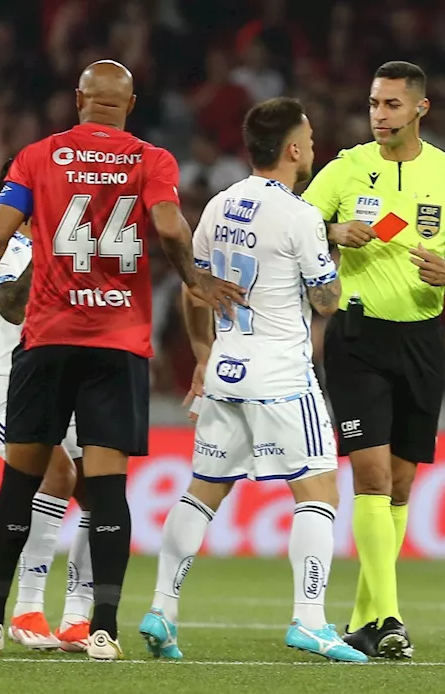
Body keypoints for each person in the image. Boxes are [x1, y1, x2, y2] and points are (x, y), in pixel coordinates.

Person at [0, 60, 242, 661]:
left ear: (79, 99)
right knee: (106, 490)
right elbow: (171, 226)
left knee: (19, 484)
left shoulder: (37, 155)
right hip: (118, 343)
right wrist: (193, 277)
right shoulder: (153, 160)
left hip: (49, 337)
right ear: (129, 104)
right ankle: (103, 629)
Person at [139, 98, 366, 664]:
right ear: (292, 149)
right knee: (318, 492)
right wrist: (334, 255)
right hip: (282, 375)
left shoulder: (219, 204)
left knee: (204, 490)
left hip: (226, 369)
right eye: (309, 139)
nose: (313, 147)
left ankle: (161, 610)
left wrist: (201, 354)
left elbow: (197, 285)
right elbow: (325, 299)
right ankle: (310, 621)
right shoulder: (300, 216)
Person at [301, 61, 445, 659]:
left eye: (391, 105)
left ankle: (364, 618)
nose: (379, 115)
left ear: (420, 109)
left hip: (421, 339)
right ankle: (390, 618)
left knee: (403, 484)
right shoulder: (346, 166)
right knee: (373, 475)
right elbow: (293, 225)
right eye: (373, 104)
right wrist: (334, 231)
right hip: (358, 337)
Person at [0, 157, 93, 652]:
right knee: (57, 477)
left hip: (66, 382)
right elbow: (11, 304)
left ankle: (78, 617)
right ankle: (26, 609)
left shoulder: (75, 244)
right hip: (8, 384)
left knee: (99, 491)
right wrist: (55, 254)